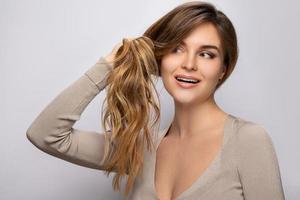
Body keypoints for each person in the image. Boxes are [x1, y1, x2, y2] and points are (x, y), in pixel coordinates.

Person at [26, 1, 285, 200]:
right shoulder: (140, 148)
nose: (189, 64)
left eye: (206, 54)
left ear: (223, 69)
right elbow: (46, 135)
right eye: (176, 49)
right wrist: (109, 65)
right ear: (159, 59)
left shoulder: (248, 141)